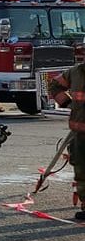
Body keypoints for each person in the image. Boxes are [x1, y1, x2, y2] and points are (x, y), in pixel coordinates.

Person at [47, 62, 85, 220]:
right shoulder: (75, 72)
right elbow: (55, 85)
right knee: (82, 171)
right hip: (81, 133)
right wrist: (68, 103)